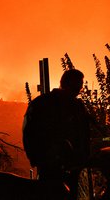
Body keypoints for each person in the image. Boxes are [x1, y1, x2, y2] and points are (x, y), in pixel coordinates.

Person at [23, 69, 91, 199]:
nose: (80, 88)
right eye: (78, 84)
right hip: (54, 167)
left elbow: (84, 136)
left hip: (67, 167)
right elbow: (30, 133)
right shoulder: (72, 107)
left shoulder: (42, 103)